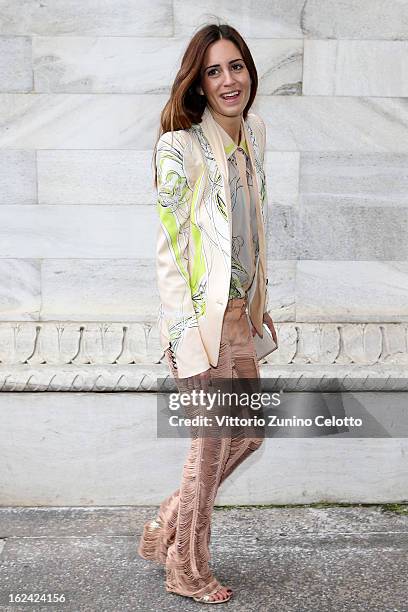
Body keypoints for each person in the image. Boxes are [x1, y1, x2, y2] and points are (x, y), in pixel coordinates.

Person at [138, 22, 278, 604]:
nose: (228, 80)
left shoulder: (253, 135)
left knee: (249, 433)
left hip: (240, 318)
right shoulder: (181, 147)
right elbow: (170, 248)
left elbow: (249, 234)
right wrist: (186, 331)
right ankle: (186, 569)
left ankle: (169, 519)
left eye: (236, 66)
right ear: (198, 82)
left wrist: (260, 306)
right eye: (214, 70)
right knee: (211, 442)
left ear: (249, 71)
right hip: (198, 324)